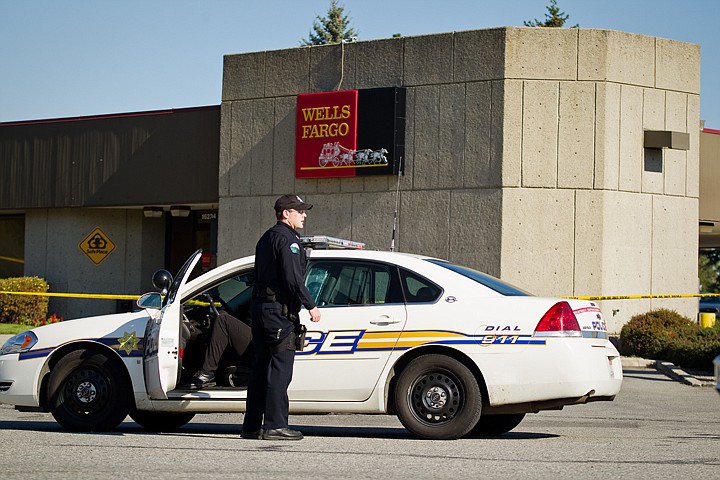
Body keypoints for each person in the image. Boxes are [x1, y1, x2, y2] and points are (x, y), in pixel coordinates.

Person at [241, 194, 321, 441]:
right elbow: (292, 278)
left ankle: (252, 426)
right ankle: (275, 425)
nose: (304, 215)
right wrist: (311, 305)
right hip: (278, 312)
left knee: (261, 369)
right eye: (299, 211)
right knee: (279, 369)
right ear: (286, 213)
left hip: (263, 309)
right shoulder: (288, 240)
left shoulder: (267, 237)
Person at [185, 311, 252, 389]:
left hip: (260, 349)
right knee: (223, 318)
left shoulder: (267, 301)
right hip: (260, 347)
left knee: (223, 320)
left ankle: (207, 372)